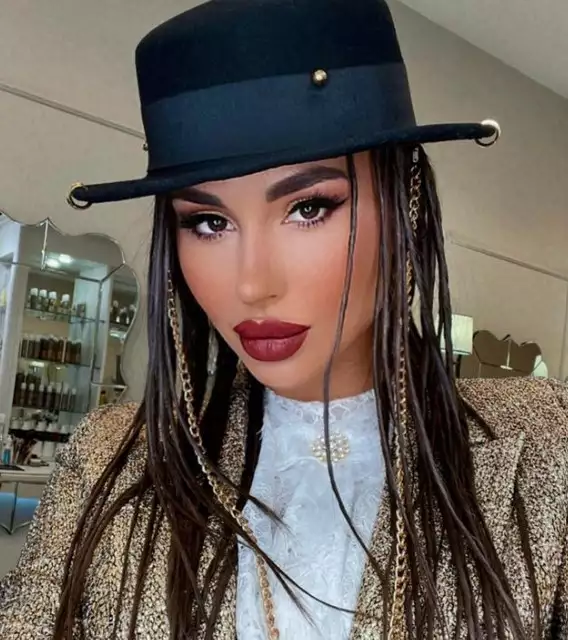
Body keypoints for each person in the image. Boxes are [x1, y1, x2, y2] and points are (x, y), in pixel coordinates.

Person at [1, 0, 567, 638]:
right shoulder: (110, 459)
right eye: (207, 222)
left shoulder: (550, 445)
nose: (252, 283)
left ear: (404, 201)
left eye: (308, 208)